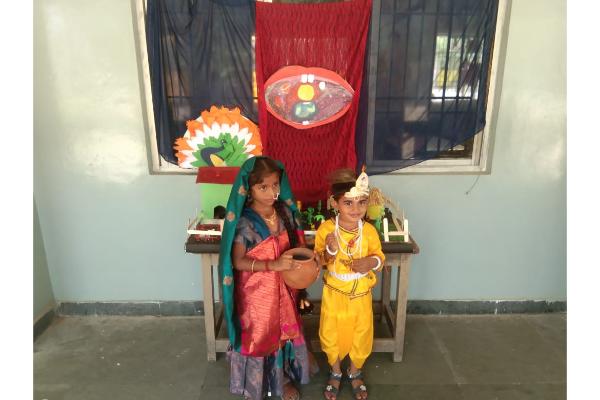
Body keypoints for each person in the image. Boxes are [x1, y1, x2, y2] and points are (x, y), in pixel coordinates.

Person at [219, 156, 318, 400]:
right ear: (249, 189)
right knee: (261, 334)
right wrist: (272, 265)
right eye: (263, 187)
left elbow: (296, 247)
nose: (272, 192)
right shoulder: (245, 222)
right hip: (256, 294)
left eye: (275, 185)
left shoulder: (285, 213)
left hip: (284, 290)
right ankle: (255, 383)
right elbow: (237, 261)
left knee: (285, 329)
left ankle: (282, 379)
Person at [314, 168, 385, 400]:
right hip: (334, 294)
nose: (356, 209)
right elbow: (319, 261)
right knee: (329, 334)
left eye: (361, 203)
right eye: (348, 203)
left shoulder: (370, 231)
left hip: (360, 295)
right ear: (335, 203)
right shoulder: (326, 230)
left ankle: (355, 372)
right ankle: (335, 372)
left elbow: (379, 257)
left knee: (362, 335)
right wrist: (331, 250)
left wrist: (371, 262)